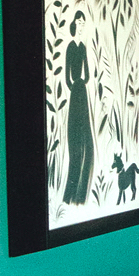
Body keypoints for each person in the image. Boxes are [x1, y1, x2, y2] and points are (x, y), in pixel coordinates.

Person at [61, 11, 94, 206]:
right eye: (78, 22)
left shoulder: (83, 48)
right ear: (74, 24)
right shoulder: (70, 47)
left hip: (82, 91)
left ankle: (81, 195)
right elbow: (66, 76)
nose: (81, 25)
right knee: (75, 140)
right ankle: (70, 195)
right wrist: (75, 85)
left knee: (86, 140)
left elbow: (88, 73)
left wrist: (81, 83)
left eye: (83, 22)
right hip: (75, 92)